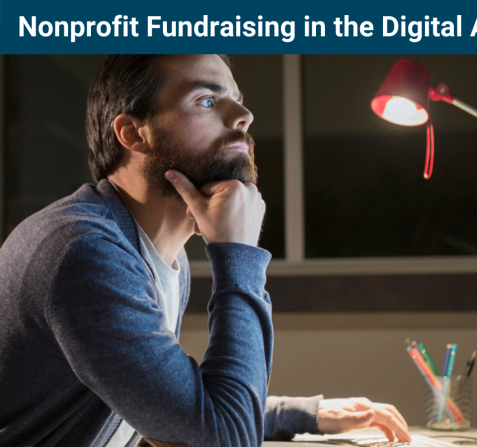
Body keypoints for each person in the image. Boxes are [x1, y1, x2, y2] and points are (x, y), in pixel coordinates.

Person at [0, 55, 410, 447]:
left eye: (238, 101)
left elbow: (169, 404)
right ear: (132, 134)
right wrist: (237, 255)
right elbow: (222, 439)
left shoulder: (161, 259)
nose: (242, 117)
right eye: (207, 100)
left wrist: (303, 414)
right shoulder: (86, 253)